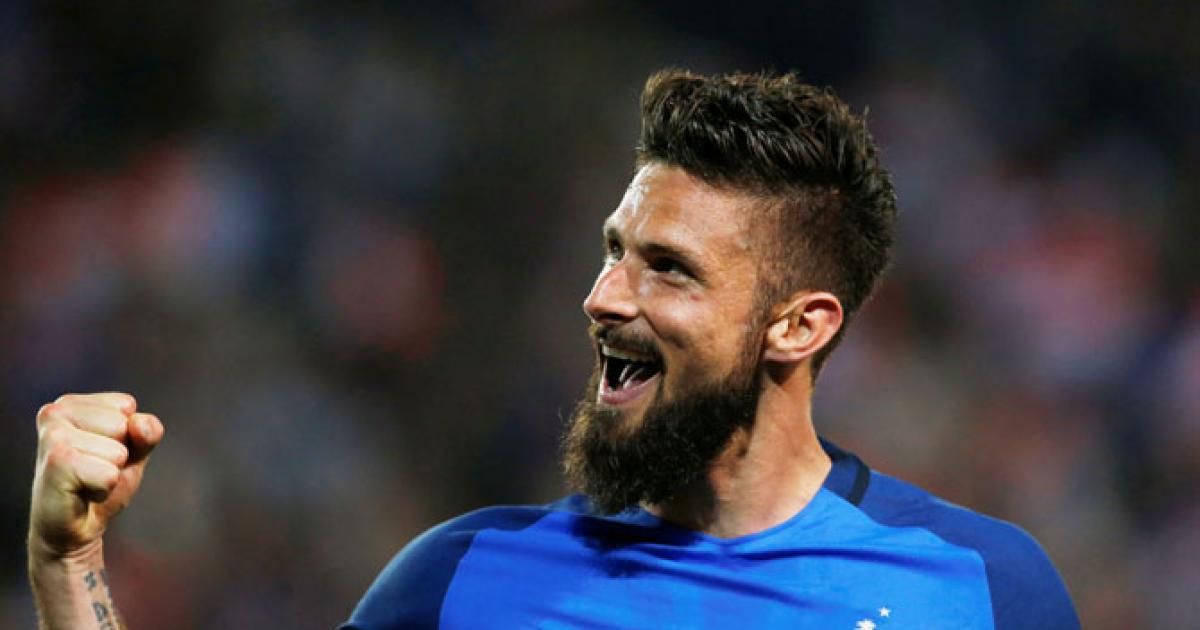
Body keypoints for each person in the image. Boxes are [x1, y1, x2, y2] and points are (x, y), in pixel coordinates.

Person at [27, 69, 1079, 629]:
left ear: (799, 326)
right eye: (615, 250)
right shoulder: (455, 582)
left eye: (668, 269)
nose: (602, 297)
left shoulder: (981, 590)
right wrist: (67, 566)